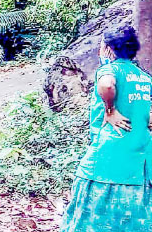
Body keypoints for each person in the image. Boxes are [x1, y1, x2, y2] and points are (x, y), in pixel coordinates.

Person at [61, 24, 152, 232]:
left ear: (108, 48)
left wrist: (110, 110)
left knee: (93, 211)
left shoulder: (109, 70)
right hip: (140, 159)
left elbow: (107, 85)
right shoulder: (144, 77)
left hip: (109, 156)